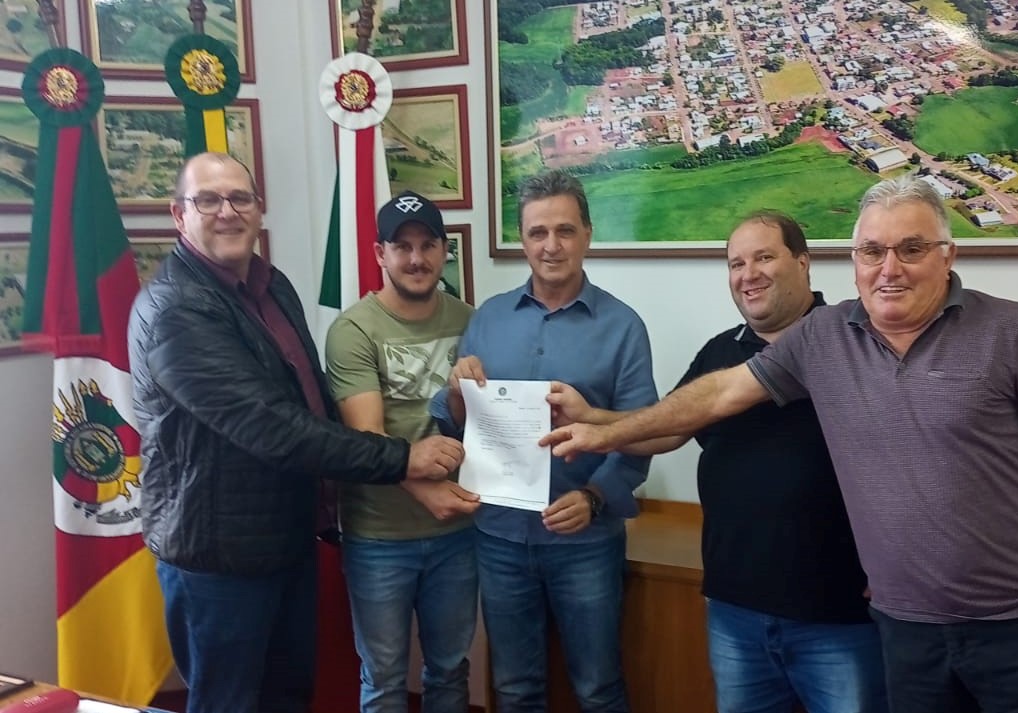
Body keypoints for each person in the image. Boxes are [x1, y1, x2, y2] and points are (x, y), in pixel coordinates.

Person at [543, 175, 1018, 713]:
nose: (889, 268)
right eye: (872, 251)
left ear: (947, 254)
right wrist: (604, 429)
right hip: (905, 629)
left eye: (911, 248)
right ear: (854, 262)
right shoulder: (825, 336)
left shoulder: (1010, 328)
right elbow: (717, 395)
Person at [128, 153, 465, 713]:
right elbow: (271, 427)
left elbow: (313, 401)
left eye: (240, 198)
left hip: (284, 538)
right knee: (229, 702)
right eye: (208, 200)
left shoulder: (271, 285)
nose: (227, 212)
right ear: (179, 215)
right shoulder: (175, 309)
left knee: (287, 696)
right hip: (218, 555)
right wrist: (403, 460)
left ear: (259, 209)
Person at [550, 211, 887, 713]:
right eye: (736, 264)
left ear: (803, 262)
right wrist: (591, 417)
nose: (748, 275)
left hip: (836, 617)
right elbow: (666, 427)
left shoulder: (852, 341)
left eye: (763, 257)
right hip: (735, 612)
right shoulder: (720, 352)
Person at [430, 169, 658, 713]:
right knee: (514, 689)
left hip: (586, 542)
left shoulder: (623, 327)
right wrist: (458, 393)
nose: (551, 246)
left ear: (587, 235)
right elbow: (457, 426)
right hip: (499, 539)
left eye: (564, 230)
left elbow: (642, 432)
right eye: (538, 232)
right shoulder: (488, 319)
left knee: (598, 688)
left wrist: (594, 497)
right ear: (522, 239)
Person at [325, 190, 480, 713]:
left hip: (457, 534)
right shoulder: (353, 330)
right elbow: (369, 438)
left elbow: (484, 423)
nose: (416, 259)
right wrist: (429, 494)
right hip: (379, 536)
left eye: (428, 245)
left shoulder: (471, 321)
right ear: (380, 254)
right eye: (402, 246)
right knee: (385, 679)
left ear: (444, 251)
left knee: (450, 671)